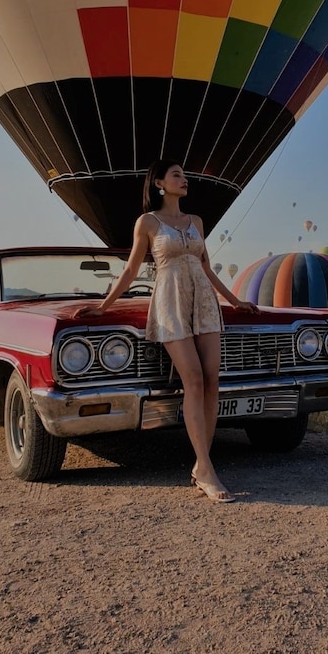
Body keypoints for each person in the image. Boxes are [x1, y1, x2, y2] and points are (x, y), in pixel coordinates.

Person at [76, 159, 259, 503]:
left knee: (211, 379)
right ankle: (206, 468)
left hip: (203, 300)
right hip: (170, 300)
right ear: (159, 183)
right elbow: (131, 269)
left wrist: (235, 301)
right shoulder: (148, 222)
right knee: (191, 378)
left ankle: (202, 465)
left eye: (185, 175)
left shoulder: (197, 222)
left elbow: (206, 267)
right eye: (177, 175)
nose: (184, 180)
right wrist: (104, 306)